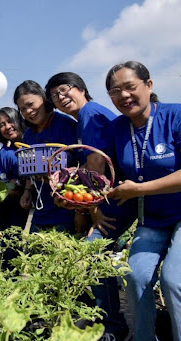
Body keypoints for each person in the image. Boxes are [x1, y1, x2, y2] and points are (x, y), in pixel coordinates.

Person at [45, 72, 135, 340]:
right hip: (115, 195)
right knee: (99, 255)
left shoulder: (90, 114)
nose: (61, 98)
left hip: (118, 197)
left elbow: (96, 164)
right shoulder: (86, 116)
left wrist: (92, 209)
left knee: (92, 253)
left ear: (81, 88)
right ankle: (107, 320)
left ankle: (113, 327)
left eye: (65, 90)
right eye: (54, 96)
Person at [105, 61, 181, 341]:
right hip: (152, 219)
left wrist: (139, 189)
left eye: (130, 87)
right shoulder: (116, 129)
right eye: (115, 91)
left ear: (149, 86)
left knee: (174, 281)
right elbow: (105, 174)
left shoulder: (175, 115)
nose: (123, 95)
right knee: (134, 276)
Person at [13, 80, 77, 233]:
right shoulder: (28, 135)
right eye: (23, 109)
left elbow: (81, 164)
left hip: (66, 207)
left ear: (43, 98)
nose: (28, 111)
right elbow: (30, 167)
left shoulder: (66, 125)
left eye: (30, 104)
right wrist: (27, 191)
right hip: (42, 207)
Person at [0, 107, 29, 229]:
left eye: (10, 121)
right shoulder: (7, 149)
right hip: (12, 202)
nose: (7, 127)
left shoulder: (31, 139)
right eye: (2, 124)